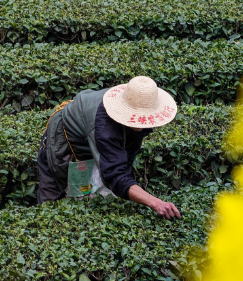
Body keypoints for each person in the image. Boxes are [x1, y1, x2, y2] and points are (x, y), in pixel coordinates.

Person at [37, 76, 181, 219]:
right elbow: (115, 175)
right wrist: (155, 203)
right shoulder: (104, 126)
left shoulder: (136, 104)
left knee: (94, 192)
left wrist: (127, 181)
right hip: (64, 136)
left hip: (88, 132)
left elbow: (126, 156)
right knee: (51, 198)